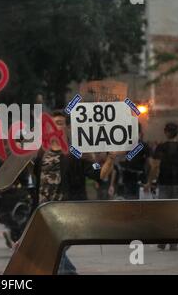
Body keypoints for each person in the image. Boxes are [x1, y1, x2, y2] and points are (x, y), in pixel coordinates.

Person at [33, 110, 118, 274]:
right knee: (54, 255)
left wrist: (111, 158)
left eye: (59, 123)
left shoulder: (77, 153)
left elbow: (99, 173)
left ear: (67, 127)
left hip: (66, 214)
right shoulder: (41, 153)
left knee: (54, 252)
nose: (54, 128)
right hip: (44, 215)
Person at [145, 122, 178, 251]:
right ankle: (174, 243)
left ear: (166, 132)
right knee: (176, 213)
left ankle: (163, 241)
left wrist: (149, 181)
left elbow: (155, 166)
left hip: (164, 183)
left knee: (164, 213)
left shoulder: (161, 148)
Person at [119, 124, 151, 199]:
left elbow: (149, 163)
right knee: (136, 202)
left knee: (132, 201)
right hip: (133, 177)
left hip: (136, 177)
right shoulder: (141, 145)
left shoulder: (130, 144)